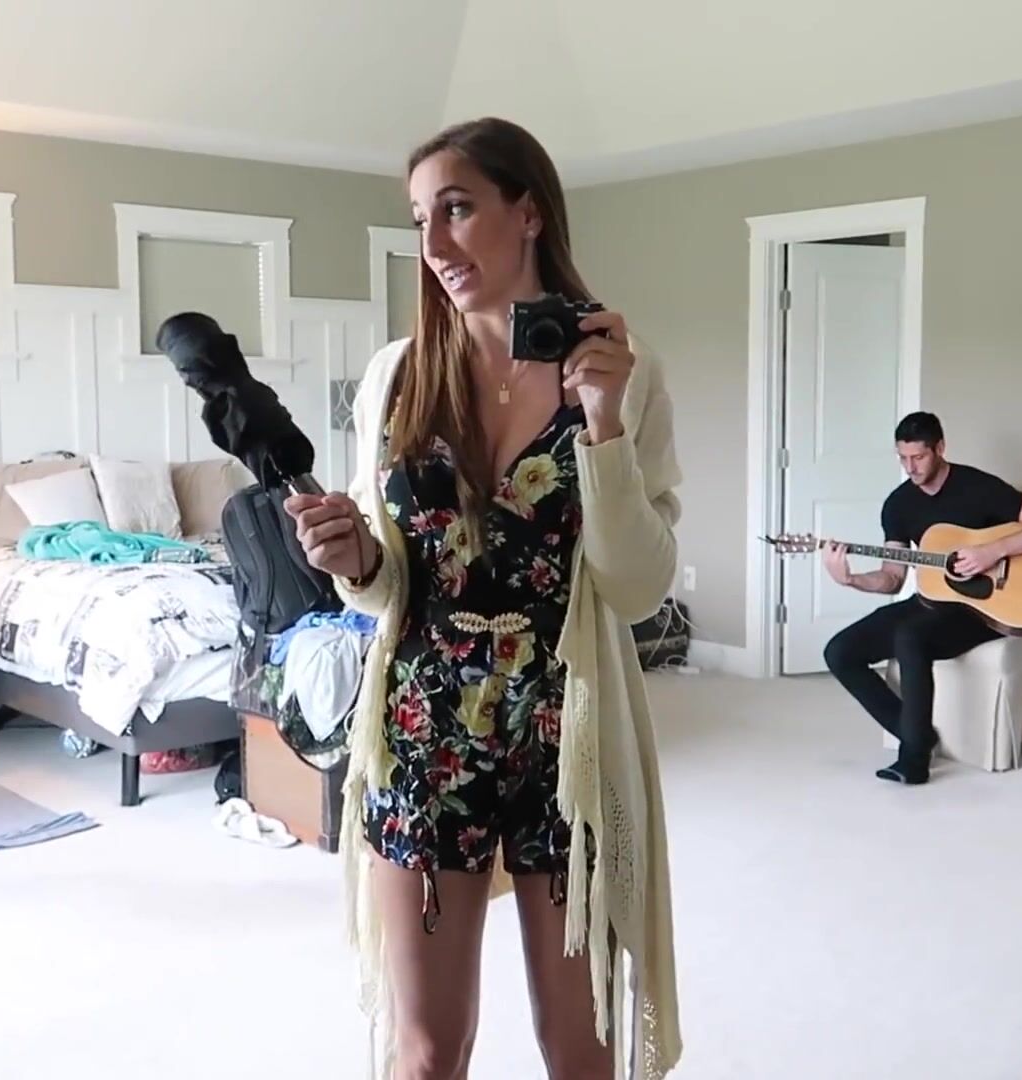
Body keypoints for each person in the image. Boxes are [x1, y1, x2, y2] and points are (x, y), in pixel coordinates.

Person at [282, 117, 684, 1080]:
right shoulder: (398, 375)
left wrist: (603, 429)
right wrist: (352, 560)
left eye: (457, 209)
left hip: (568, 736)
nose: (433, 244)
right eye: (420, 218)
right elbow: (386, 585)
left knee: (581, 1051)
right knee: (427, 1052)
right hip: (423, 730)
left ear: (529, 211)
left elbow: (635, 588)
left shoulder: (622, 370)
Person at [821, 411, 1022, 785]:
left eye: (918, 457)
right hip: (933, 601)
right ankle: (916, 734)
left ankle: (913, 760)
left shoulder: (977, 486)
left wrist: (993, 551)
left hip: (984, 608)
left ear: (940, 448)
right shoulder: (898, 504)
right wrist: (851, 579)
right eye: (903, 458)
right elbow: (892, 578)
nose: (910, 467)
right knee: (840, 652)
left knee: (911, 636)